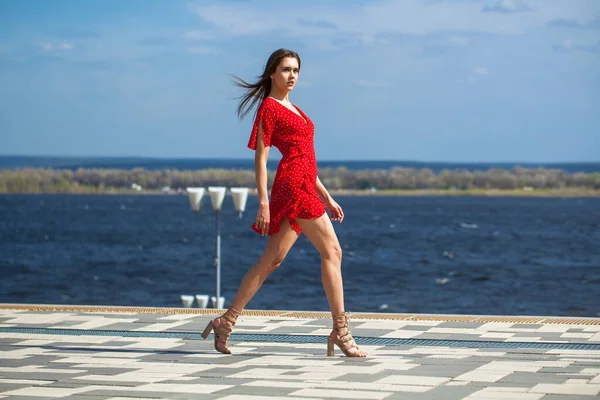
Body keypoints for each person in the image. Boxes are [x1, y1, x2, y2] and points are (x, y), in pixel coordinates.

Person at [201, 48, 367, 358]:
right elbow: (261, 159)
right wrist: (263, 201)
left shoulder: (297, 109)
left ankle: (226, 321)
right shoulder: (270, 108)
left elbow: (306, 160)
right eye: (286, 70)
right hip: (292, 188)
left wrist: (327, 196)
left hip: (305, 184)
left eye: (296, 70)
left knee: (271, 261)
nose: (292, 75)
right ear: (271, 74)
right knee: (332, 250)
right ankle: (341, 329)